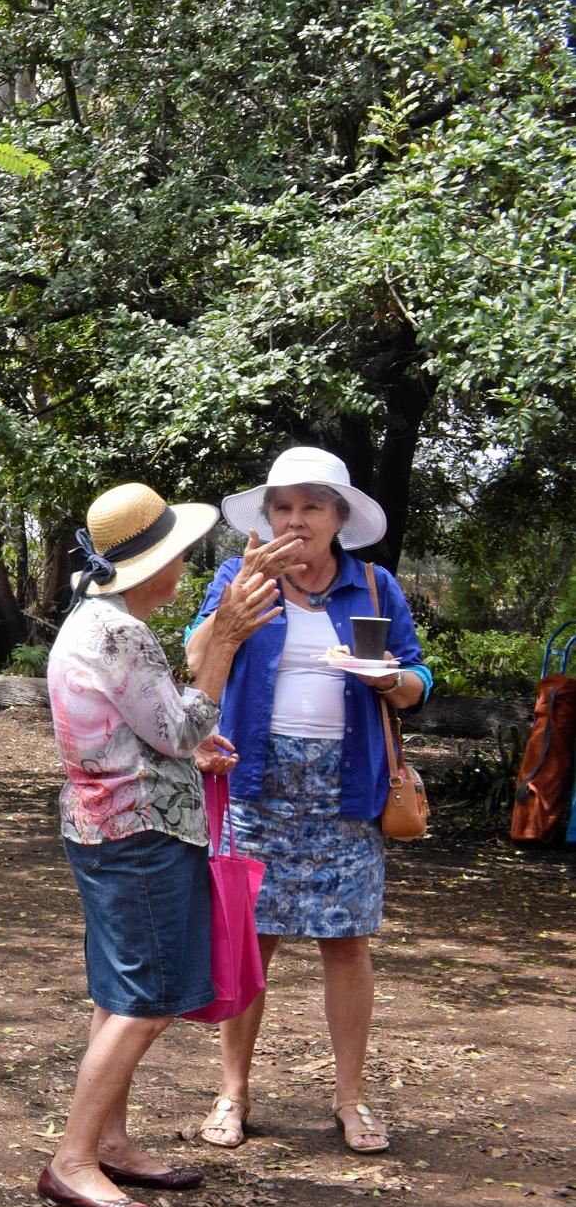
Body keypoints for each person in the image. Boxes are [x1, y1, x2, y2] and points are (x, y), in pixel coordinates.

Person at [40, 480, 275, 1207]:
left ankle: (106, 1140)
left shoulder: (91, 621)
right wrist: (226, 643)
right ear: (148, 566)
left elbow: (143, 729)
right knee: (145, 1002)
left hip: (101, 825)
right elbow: (180, 724)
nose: (184, 569)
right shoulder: (123, 632)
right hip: (139, 835)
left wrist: (186, 752)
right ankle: (72, 1159)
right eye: (176, 555)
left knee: (118, 993)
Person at [188, 446, 432, 1157]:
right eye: (283, 506)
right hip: (253, 781)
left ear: (338, 517)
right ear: (265, 518)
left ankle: (350, 1099)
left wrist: (391, 681)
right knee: (250, 944)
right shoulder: (238, 576)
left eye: (311, 506)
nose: (296, 519)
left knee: (346, 943)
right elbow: (199, 659)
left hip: (347, 786)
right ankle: (233, 1093)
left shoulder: (375, 585)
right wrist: (235, 607)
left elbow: (418, 674)